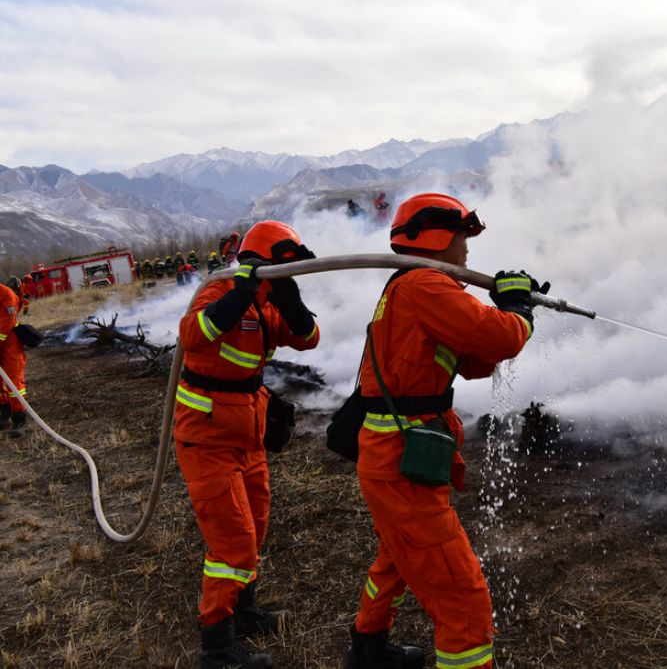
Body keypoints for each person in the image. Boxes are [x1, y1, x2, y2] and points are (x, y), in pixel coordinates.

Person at [345, 193, 544, 669]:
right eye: (462, 237)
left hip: (392, 459)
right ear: (439, 238)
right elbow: (499, 337)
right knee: (462, 597)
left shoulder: (414, 287)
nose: (468, 250)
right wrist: (517, 314)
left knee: (396, 557)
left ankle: (368, 652)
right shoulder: (426, 286)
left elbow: (474, 359)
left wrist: (507, 309)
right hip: (400, 465)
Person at [174, 220, 320, 668]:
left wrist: (294, 305)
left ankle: (244, 610)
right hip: (207, 436)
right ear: (267, 262)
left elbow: (309, 340)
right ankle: (216, 645)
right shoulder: (219, 293)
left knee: (254, 525)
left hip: (248, 434)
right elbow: (192, 336)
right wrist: (238, 295)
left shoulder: (267, 302)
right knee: (232, 541)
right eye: (286, 268)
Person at [0, 278, 29, 437]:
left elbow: (7, 321)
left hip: (9, 343)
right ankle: (3, 415)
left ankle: (19, 419)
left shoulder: (6, 294)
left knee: (13, 380)